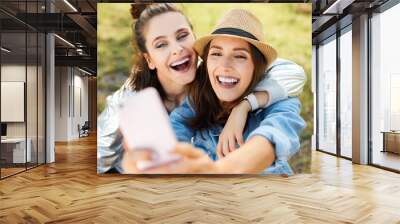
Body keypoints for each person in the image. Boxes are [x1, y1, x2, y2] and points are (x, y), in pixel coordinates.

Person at [98, 4, 306, 174]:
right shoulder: (187, 101)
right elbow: (173, 144)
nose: (177, 49)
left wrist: (244, 106)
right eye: (161, 44)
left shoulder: (278, 100)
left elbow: (271, 139)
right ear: (149, 59)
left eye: (181, 36)